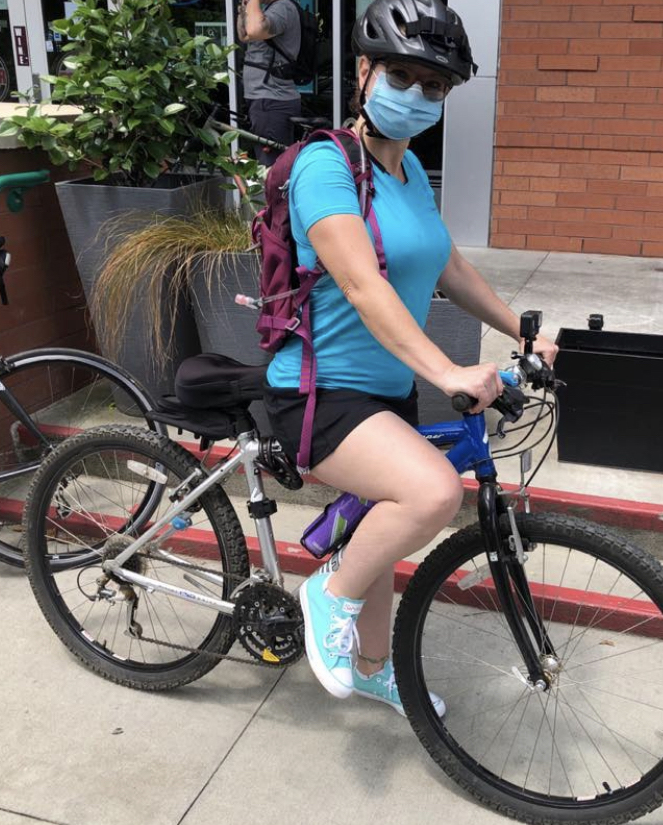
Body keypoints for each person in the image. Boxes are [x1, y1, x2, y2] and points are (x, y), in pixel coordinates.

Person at [263, 0, 558, 716]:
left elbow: (448, 266)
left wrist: (520, 330)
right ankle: (325, 593)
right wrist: (450, 370)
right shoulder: (325, 168)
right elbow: (362, 284)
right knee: (430, 492)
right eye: (401, 74)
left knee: (382, 532)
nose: (417, 95)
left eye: (434, 86)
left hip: (383, 393)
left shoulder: (405, 177)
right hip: (318, 393)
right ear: (362, 72)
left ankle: (370, 666)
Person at [237, 0, 302, 165]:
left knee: (272, 170)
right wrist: (244, 10)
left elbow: (254, 30)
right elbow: (245, 34)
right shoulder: (269, 10)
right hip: (265, 99)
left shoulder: (283, 8)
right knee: (269, 167)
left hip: (272, 100)